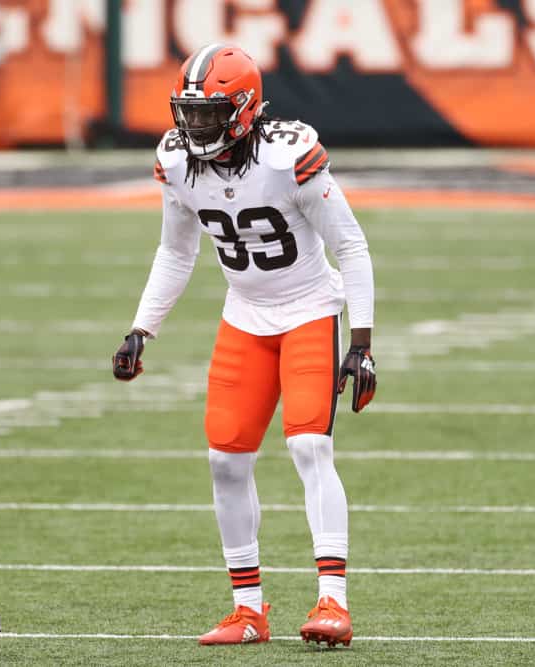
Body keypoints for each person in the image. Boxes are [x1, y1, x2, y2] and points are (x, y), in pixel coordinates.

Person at [112, 43, 376, 648]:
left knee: (310, 447)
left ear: (246, 110)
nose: (194, 125)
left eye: (209, 114)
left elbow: (352, 246)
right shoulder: (176, 161)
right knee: (225, 461)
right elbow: (176, 251)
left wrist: (360, 342)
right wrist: (141, 327)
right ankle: (248, 610)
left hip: (309, 308)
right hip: (246, 315)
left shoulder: (288, 157)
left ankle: (333, 601)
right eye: (189, 111)